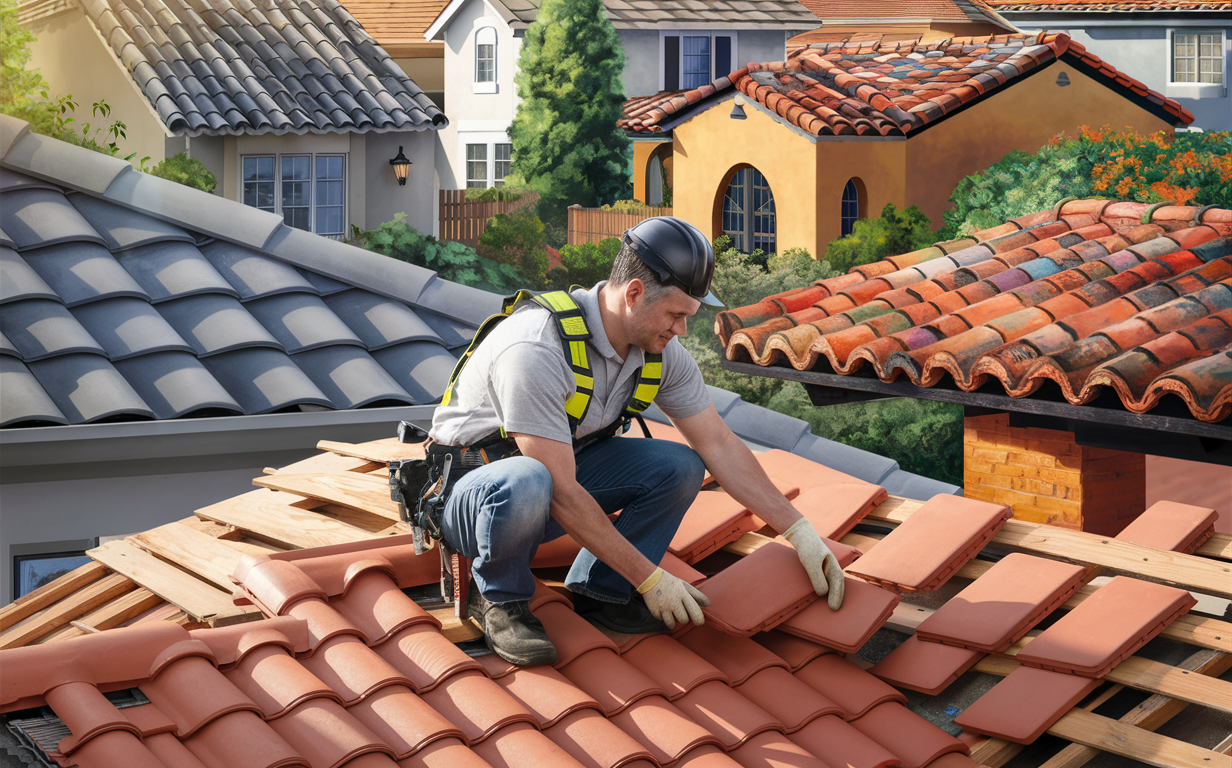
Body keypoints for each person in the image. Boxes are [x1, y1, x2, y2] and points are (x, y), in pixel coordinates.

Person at [428, 216, 846, 666]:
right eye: (676, 315)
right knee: (528, 478)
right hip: (477, 496)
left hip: (554, 480)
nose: (682, 331)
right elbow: (561, 491)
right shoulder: (535, 349)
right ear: (633, 294)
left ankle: (603, 591)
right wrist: (652, 579)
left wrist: (799, 531)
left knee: (681, 465)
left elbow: (719, 445)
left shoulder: (659, 353)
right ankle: (497, 597)